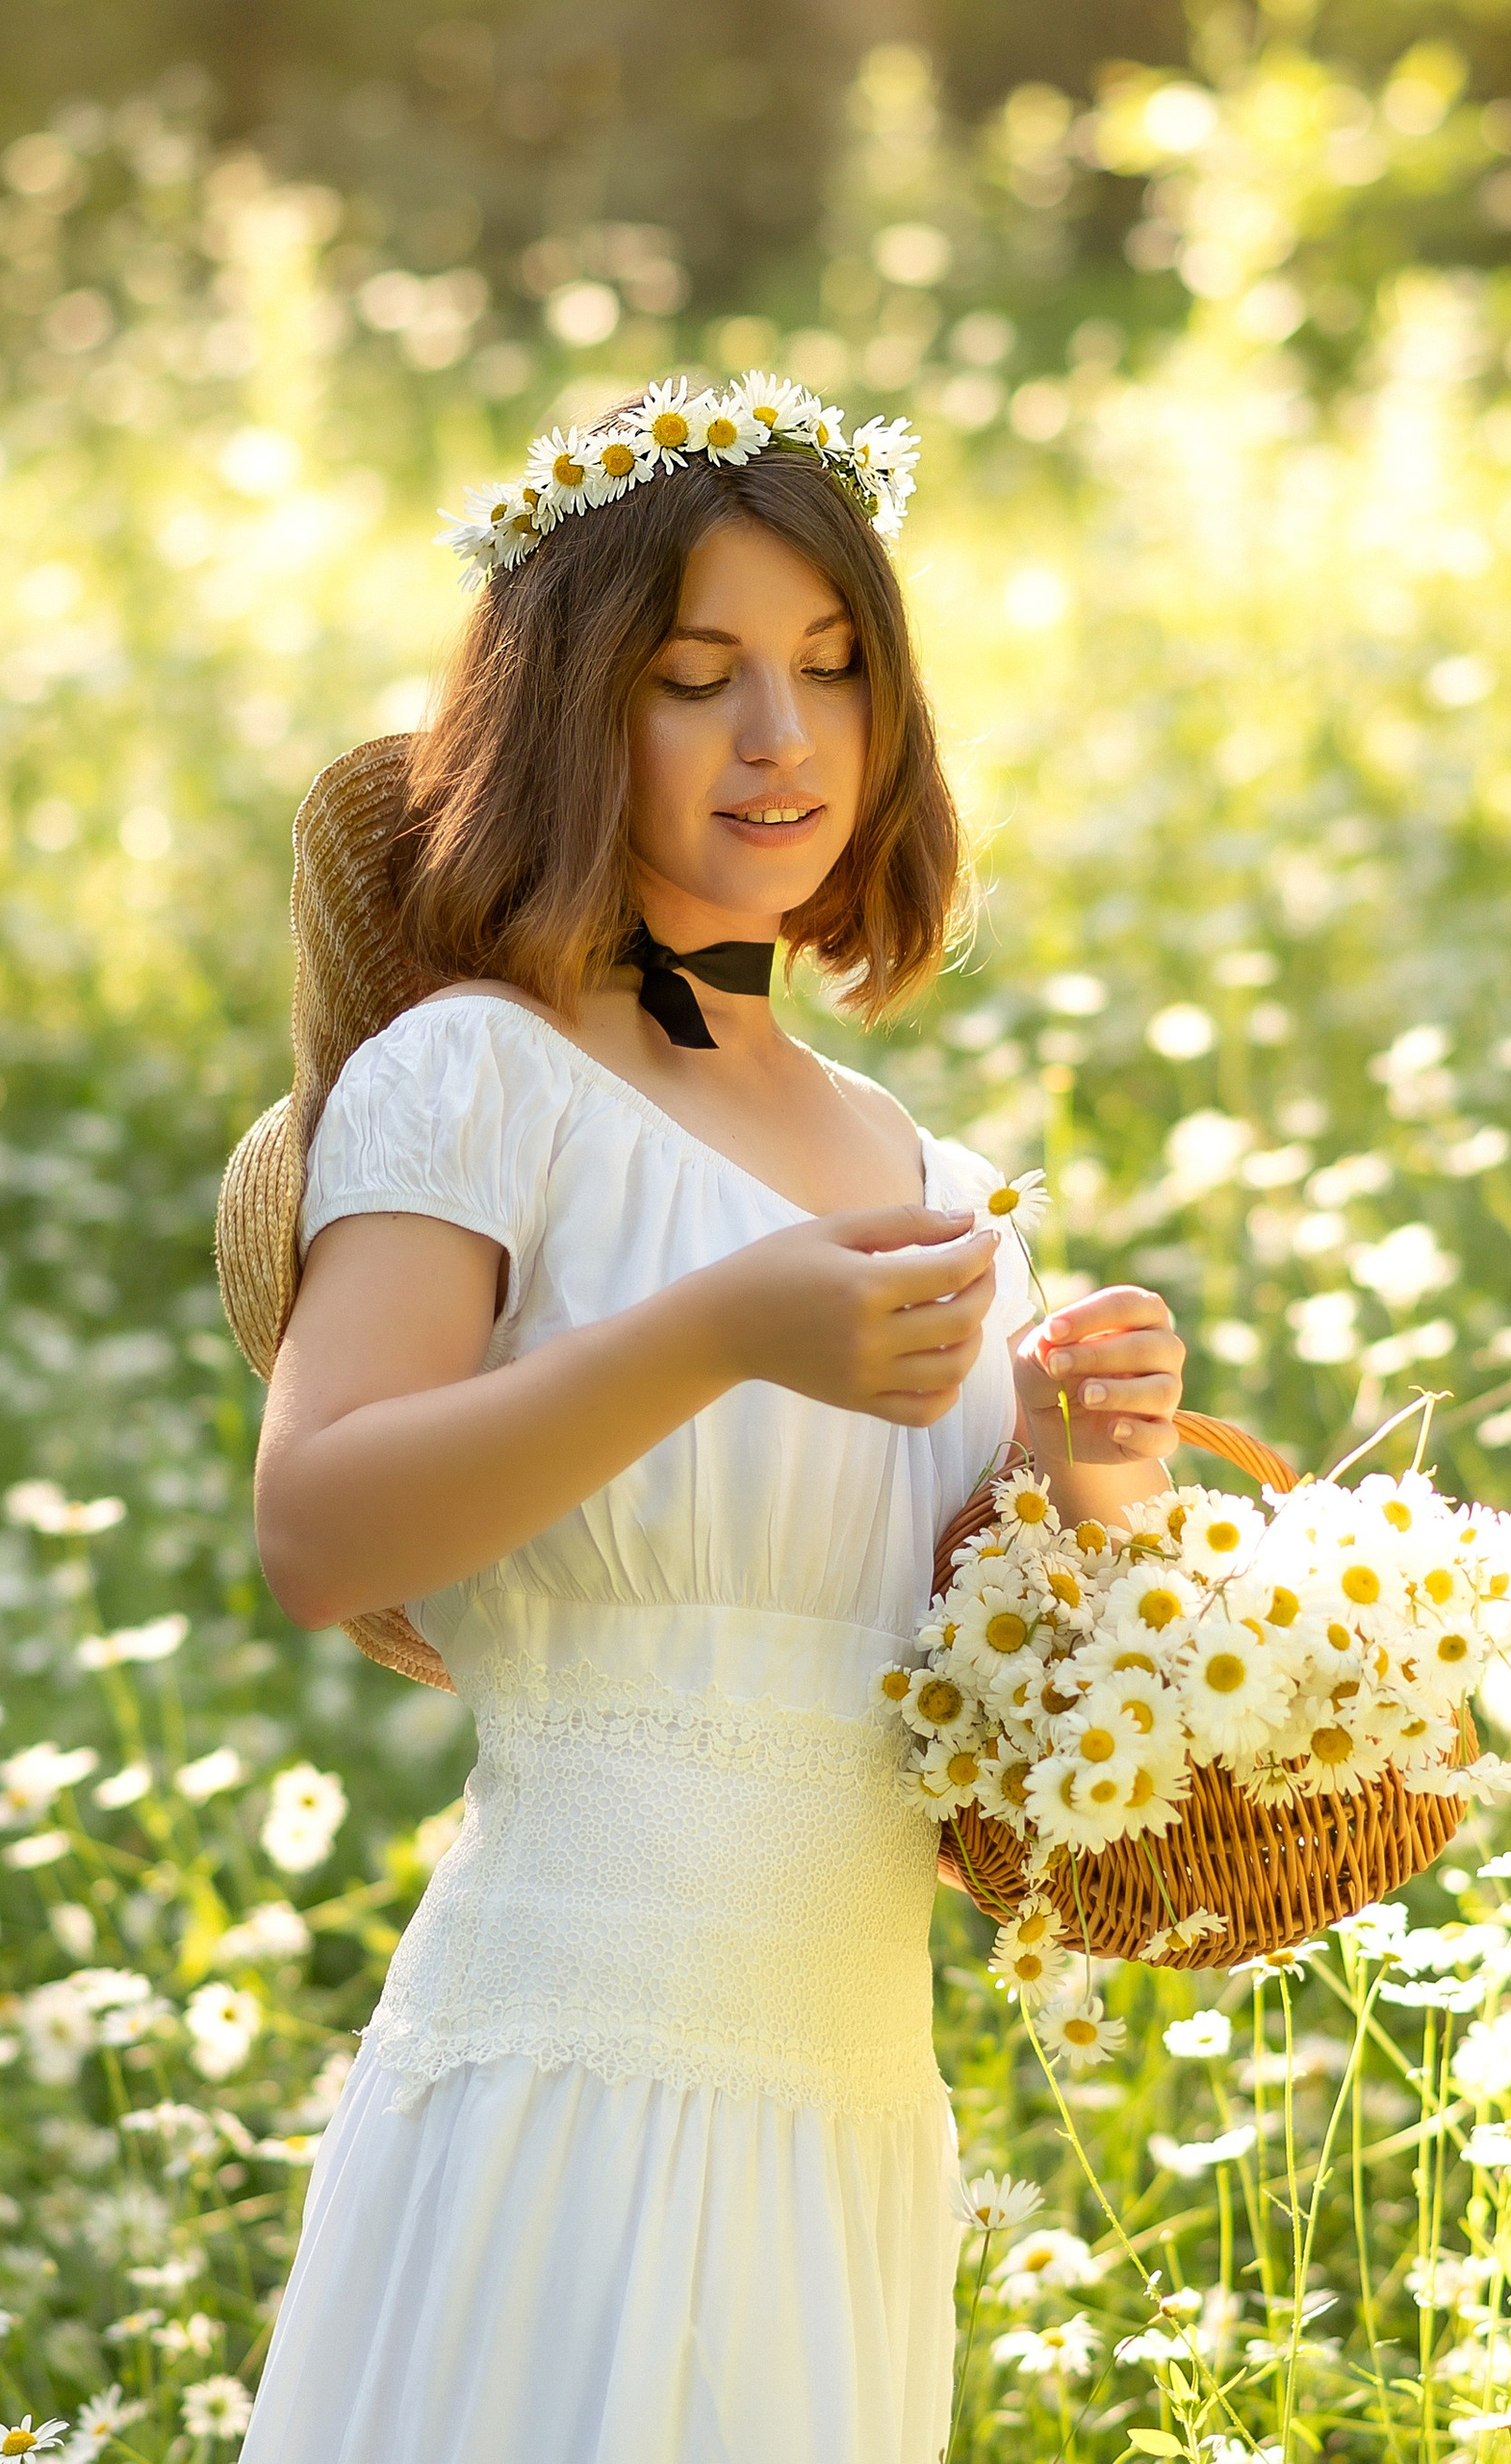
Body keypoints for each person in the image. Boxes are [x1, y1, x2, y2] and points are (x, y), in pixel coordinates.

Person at [236, 372, 1188, 2463]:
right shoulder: (475, 1075)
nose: (784, 735)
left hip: (839, 2103)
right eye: (701, 677)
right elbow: (315, 1524)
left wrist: (1082, 1465)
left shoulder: (915, 1163)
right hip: (567, 2069)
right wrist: (713, 1331)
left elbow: (973, 1682)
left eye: (835, 669)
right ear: (580, 706)